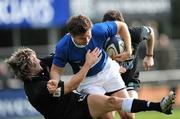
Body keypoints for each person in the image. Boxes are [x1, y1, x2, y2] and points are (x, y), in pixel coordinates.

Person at [5, 48, 176, 119]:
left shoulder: (40, 66)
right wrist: (87, 64)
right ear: (28, 68)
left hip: (77, 102)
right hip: (67, 115)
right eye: (34, 60)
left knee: (112, 103)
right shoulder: (36, 90)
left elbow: (62, 54)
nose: (39, 60)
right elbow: (71, 86)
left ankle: (159, 106)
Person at [50, 15, 134, 118]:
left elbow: (122, 26)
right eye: (82, 38)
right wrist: (55, 81)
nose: (87, 40)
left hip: (108, 71)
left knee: (128, 115)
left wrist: (128, 50)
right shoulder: (63, 46)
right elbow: (56, 70)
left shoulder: (98, 30)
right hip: (87, 82)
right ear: (72, 35)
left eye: (88, 36)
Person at [102, 10, 155, 119]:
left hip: (128, 80)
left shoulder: (135, 34)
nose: (112, 32)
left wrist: (149, 56)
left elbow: (151, 32)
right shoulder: (99, 40)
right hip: (107, 82)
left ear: (122, 26)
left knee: (128, 114)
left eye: (115, 28)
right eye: (108, 27)